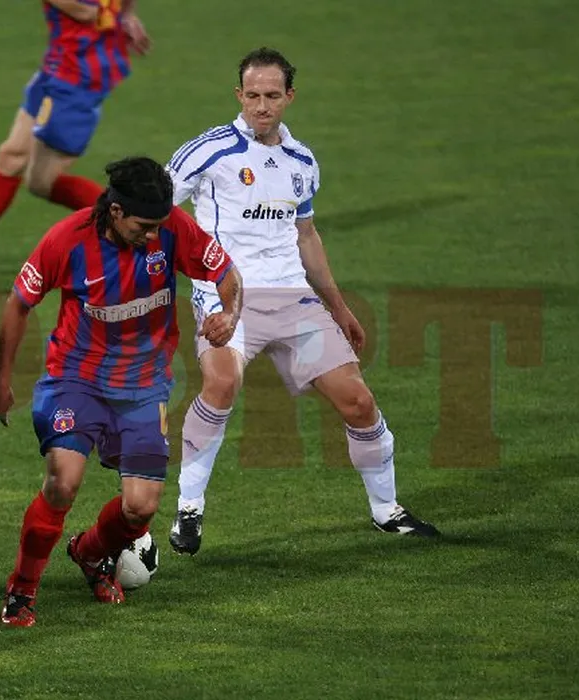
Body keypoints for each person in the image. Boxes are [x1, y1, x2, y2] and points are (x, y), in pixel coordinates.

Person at [164, 47, 440, 556]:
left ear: (289, 96)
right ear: (238, 95)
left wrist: (339, 306)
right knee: (221, 383)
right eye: (252, 95)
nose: (261, 105)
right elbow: (152, 206)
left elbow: (306, 234)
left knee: (358, 401)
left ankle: (386, 510)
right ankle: (189, 508)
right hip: (227, 294)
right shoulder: (209, 151)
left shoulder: (302, 161)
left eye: (272, 95)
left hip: (293, 298)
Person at [0, 156, 243, 626]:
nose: (154, 235)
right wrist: (0, 380)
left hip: (144, 386)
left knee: (140, 508)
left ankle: (89, 552)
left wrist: (230, 313)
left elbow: (227, 274)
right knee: (62, 482)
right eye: (144, 227)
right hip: (76, 379)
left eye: (159, 225)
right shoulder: (66, 240)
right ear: (116, 211)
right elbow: (17, 304)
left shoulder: (172, 227)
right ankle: (22, 588)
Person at [0, 0, 151, 272]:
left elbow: (84, 11)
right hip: (56, 68)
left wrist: (117, 15)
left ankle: (140, 229)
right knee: (18, 163)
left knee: (37, 176)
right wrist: (122, 15)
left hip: (76, 80)